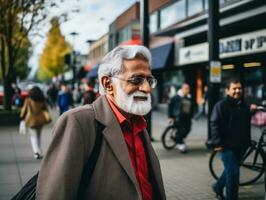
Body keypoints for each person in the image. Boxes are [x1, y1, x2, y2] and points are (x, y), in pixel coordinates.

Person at [36, 45, 166, 200]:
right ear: (108, 84)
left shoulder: (137, 123)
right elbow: (55, 193)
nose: (146, 88)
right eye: (136, 79)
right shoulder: (78, 122)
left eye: (149, 80)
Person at [210, 78, 257, 200]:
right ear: (227, 91)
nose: (237, 91)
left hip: (241, 145)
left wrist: (251, 111)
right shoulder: (221, 105)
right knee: (234, 173)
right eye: (234, 88)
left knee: (231, 169)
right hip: (226, 146)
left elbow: (243, 119)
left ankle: (218, 187)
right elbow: (214, 124)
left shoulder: (243, 105)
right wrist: (218, 143)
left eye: (239, 88)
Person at [20, 86, 50, 159]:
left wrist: (22, 119)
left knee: (33, 137)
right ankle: (39, 151)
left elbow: (24, 110)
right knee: (38, 136)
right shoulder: (42, 100)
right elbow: (46, 109)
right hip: (40, 120)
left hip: (31, 120)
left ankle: (36, 152)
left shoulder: (28, 100)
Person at [168, 83, 194, 152]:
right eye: (186, 88)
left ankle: (178, 139)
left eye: (188, 88)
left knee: (188, 129)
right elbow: (170, 106)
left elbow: (192, 107)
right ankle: (180, 144)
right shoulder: (176, 97)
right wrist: (170, 117)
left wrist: (192, 115)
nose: (187, 90)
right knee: (180, 130)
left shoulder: (189, 97)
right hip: (178, 117)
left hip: (187, 117)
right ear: (182, 89)